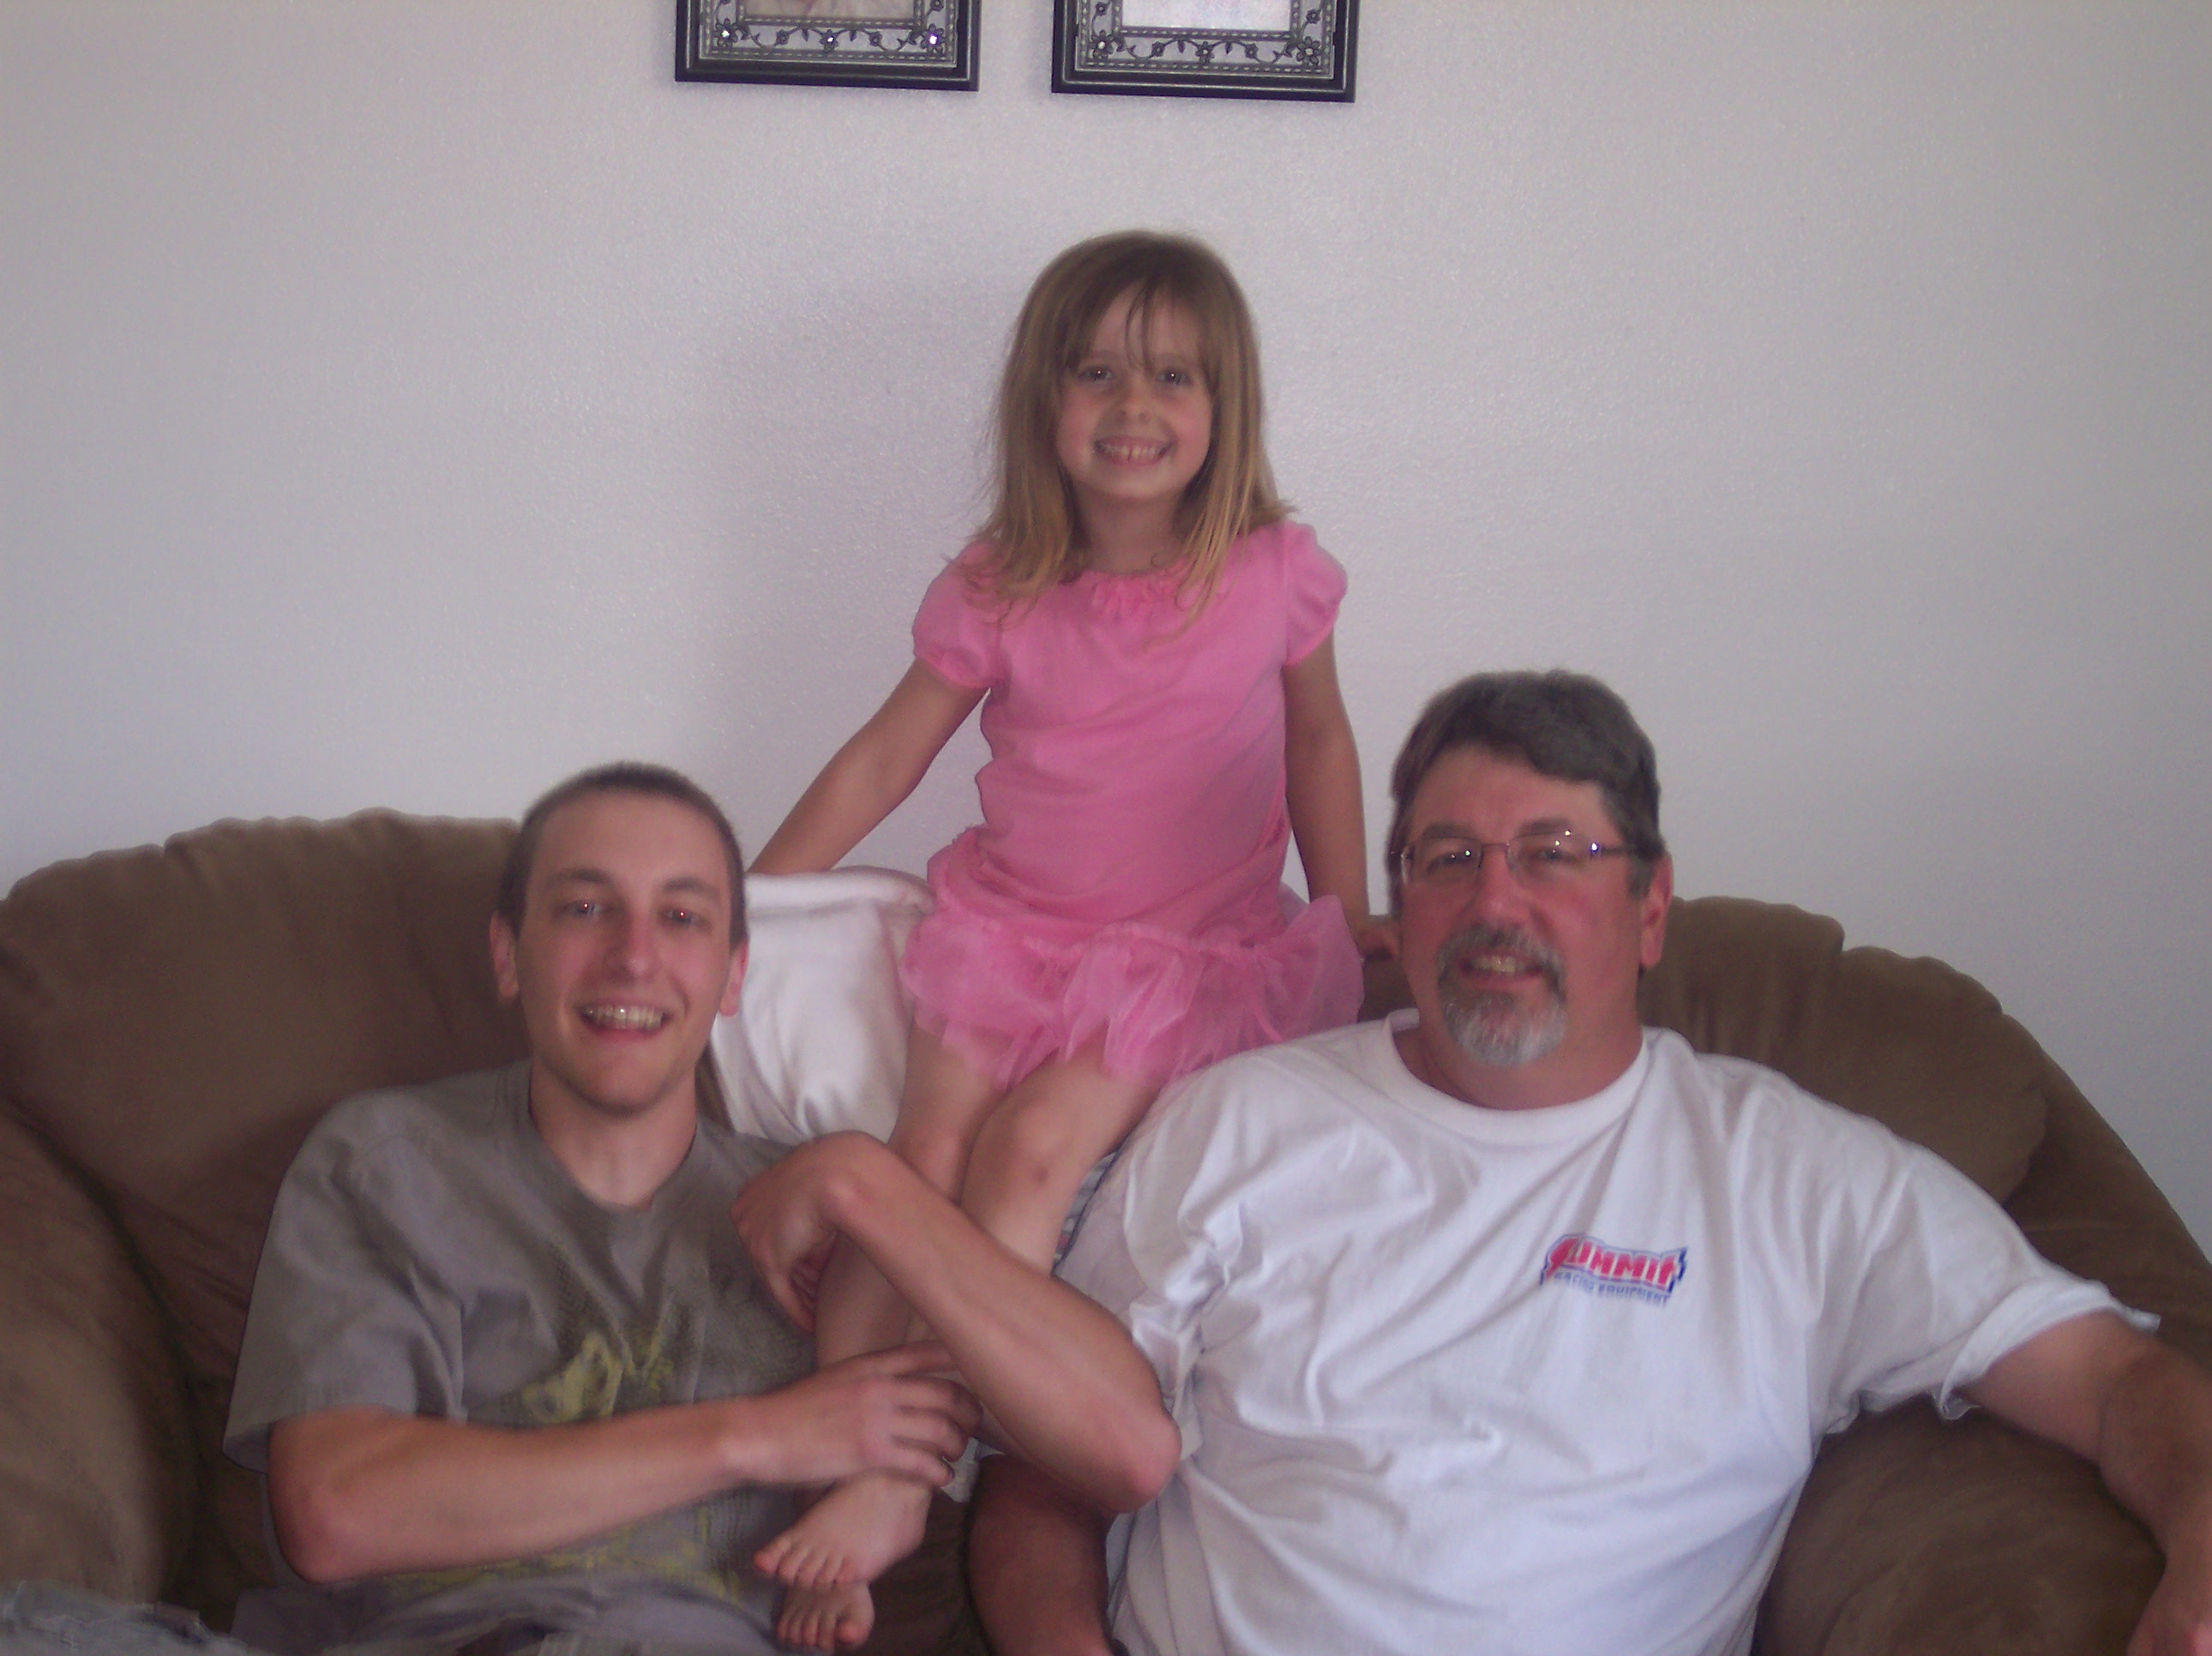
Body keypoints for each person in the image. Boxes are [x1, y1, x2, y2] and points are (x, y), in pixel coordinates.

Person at [934, 670, 2212, 1656]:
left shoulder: (1794, 1182)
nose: (1496, 903)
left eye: (1554, 854)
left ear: (1651, 910)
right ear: (1401, 910)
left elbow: (2115, 1383)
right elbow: (1046, 1474)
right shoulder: (1236, 1123)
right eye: (1449, 859)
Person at [746, 229, 1379, 1643]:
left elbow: (1320, 743)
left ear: (1225, 408)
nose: (1133, 406)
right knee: (913, 1164)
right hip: (1009, 933)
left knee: (1029, 1155)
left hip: (1188, 957)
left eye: (1172, 377)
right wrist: (755, 903)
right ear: (1044, 402)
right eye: (1097, 373)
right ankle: (834, 1448)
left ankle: (905, 1478)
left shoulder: (1273, 574)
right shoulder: (1004, 584)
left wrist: (1347, 916)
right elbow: (883, 759)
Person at [220, 763, 1175, 1656]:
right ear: (508, 956)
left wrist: (866, 1180)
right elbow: (335, 1514)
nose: (633, 957)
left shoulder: (821, 1223)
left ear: (733, 977)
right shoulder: (390, 1167)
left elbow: (1129, 1452)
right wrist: (759, 1436)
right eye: (585, 908)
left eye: (681, 917)